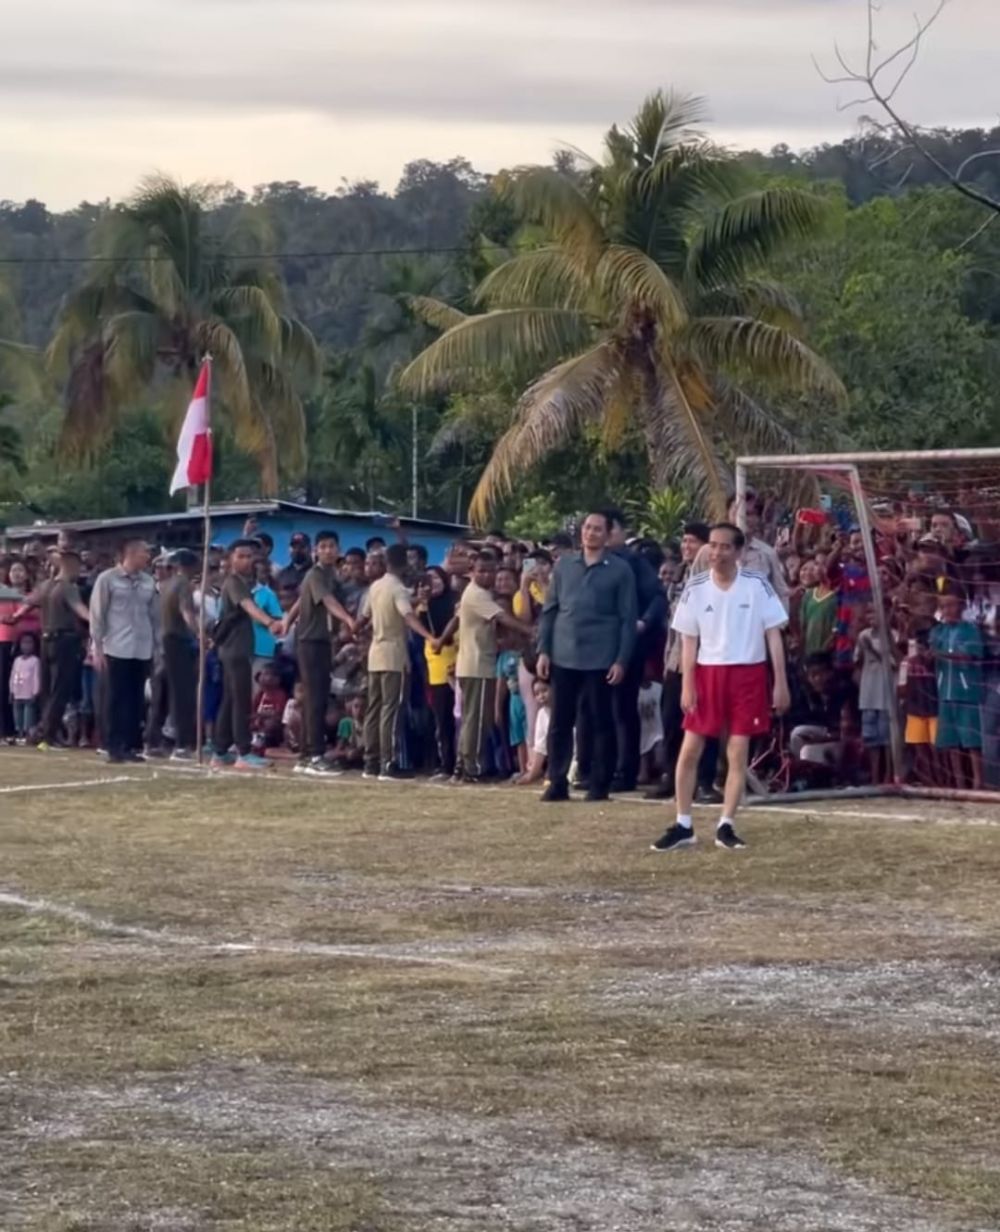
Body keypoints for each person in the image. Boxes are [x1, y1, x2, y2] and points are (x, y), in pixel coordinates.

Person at [651, 522, 789, 853]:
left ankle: (726, 824)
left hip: (748, 674)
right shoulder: (696, 587)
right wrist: (688, 683)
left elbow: (773, 634)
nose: (716, 552)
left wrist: (780, 682)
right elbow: (688, 639)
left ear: (738, 552)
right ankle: (683, 824)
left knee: (737, 751)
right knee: (690, 750)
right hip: (707, 675)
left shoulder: (756, 585)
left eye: (724, 546)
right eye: (712, 545)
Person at [537, 511, 638, 802]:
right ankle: (557, 781)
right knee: (560, 721)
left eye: (597, 529)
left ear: (607, 536)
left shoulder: (620, 570)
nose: (590, 533)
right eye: (587, 528)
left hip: (601, 657)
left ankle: (599, 783)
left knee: (600, 721)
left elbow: (627, 619)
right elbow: (550, 611)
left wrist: (621, 659)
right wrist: (544, 649)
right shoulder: (564, 565)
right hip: (564, 653)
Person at [438, 551, 532, 783]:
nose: (487, 575)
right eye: (481, 570)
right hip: (477, 664)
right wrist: (531, 631)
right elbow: (502, 618)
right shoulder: (477, 594)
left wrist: (441, 639)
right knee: (477, 719)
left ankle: (463, 766)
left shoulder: (479, 594)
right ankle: (472, 768)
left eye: (490, 570)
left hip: (475, 664)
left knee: (473, 718)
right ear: (472, 570)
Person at [605, 509, 667, 792]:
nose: (601, 535)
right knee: (595, 709)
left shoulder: (634, 561)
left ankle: (625, 771)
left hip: (628, 645)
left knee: (623, 708)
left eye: (608, 529)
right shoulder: (582, 563)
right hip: (595, 647)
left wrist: (642, 623)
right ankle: (596, 767)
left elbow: (656, 596)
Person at [211, 539, 285, 772]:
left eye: (249, 556)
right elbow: (248, 607)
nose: (246, 560)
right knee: (241, 700)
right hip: (235, 650)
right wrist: (269, 622)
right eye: (241, 556)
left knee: (230, 699)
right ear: (231, 559)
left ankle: (220, 751)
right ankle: (243, 752)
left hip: (236, 649)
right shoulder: (235, 583)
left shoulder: (245, 583)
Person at [363, 543, 436, 781]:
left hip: (375, 653)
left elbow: (365, 616)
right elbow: (407, 616)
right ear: (403, 563)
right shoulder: (398, 588)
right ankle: (388, 762)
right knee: (391, 709)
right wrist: (429, 636)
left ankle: (370, 761)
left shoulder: (375, 586)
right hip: (394, 654)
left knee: (374, 708)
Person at [289, 529, 357, 777]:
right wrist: (348, 620)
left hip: (321, 641)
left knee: (316, 698)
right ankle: (314, 755)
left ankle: (308, 754)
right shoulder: (316, 574)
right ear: (316, 550)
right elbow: (328, 601)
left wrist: (287, 620)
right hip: (311, 641)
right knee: (315, 699)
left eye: (332, 546)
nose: (328, 550)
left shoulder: (330, 576)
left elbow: (300, 600)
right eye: (324, 546)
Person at [6, 550, 90, 750]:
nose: (79, 571)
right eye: (78, 566)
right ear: (69, 565)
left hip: (46, 640)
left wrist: (14, 618)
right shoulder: (68, 587)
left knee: (47, 690)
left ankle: (44, 731)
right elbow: (80, 609)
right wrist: (98, 620)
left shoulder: (44, 586)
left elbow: (25, 606)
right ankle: (46, 734)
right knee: (60, 690)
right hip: (65, 641)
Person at [88, 538, 160, 765]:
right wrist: (97, 646)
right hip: (115, 646)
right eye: (144, 552)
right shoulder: (107, 579)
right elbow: (97, 613)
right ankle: (113, 744)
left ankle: (131, 744)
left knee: (136, 698)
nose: (148, 557)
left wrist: (157, 647)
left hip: (141, 647)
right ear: (130, 553)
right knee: (115, 697)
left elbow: (155, 616)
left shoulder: (149, 582)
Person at [930, 589, 984, 790]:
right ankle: (959, 784)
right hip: (945, 692)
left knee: (971, 742)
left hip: (966, 692)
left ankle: (978, 783)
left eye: (951, 605)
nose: (948, 610)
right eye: (943, 606)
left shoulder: (970, 630)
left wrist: (942, 655)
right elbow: (931, 653)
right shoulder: (938, 632)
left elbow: (970, 656)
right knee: (951, 742)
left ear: (960, 606)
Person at [159, 548, 201, 760]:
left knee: (167, 692)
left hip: (166, 640)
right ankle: (182, 744)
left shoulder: (166, 585)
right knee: (184, 694)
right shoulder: (184, 584)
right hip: (178, 640)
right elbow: (187, 612)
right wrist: (200, 634)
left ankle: (156, 740)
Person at [420, 566, 458, 778]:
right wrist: (423, 603)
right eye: (428, 579)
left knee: (456, 718)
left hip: (454, 664)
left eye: (436, 577)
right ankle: (444, 764)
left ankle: (457, 763)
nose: (432, 582)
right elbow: (426, 631)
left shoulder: (453, 601)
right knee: (440, 721)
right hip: (433, 670)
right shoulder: (424, 606)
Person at [854, 606, 896, 785]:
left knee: (887, 738)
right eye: (869, 613)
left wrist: (873, 650)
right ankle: (874, 776)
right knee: (871, 738)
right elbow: (857, 661)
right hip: (868, 694)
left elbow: (896, 663)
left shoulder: (893, 636)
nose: (872, 617)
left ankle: (888, 774)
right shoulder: (863, 635)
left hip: (886, 693)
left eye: (875, 613)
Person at [252, 559, 283, 680]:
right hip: (242, 648)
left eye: (263, 572)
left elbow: (277, 619)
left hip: (263, 648)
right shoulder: (240, 591)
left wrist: (260, 618)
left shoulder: (268, 594)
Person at [9, 631, 41, 744]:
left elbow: (36, 677)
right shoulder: (17, 660)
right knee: (17, 715)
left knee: (29, 716)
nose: (26, 646)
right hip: (17, 693)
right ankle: (19, 733)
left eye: (29, 643)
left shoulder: (35, 661)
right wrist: (11, 691)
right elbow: (13, 676)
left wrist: (35, 692)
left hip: (29, 694)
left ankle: (28, 735)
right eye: (24, 643)